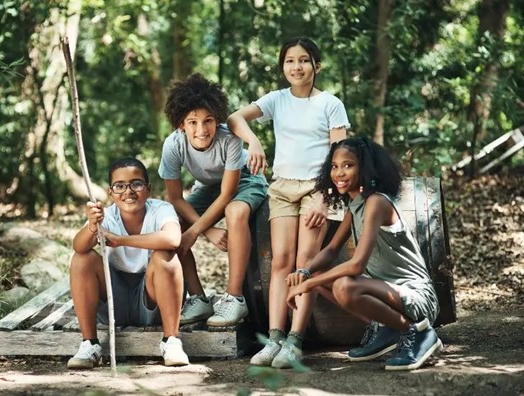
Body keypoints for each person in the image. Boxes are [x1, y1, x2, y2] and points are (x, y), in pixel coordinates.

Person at [227, 37, 350, 368]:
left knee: (304, 262)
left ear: (316, 66)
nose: (297, 67)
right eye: (290, 61)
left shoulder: (330, 104)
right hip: (282, 187)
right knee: (280, 261)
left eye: (304, 60)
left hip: (317, 189)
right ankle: (275, 338)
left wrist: (326, 198)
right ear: (283, 67)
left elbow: (340, 156)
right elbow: (235, 118)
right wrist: (253, 142)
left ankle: (295, 342)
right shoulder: (277, 100)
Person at [285, 136, 442, 371]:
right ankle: (385, 328)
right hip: (387, 292)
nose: (339, 173)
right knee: (318, 278)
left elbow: (357, 265)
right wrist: (304, 272)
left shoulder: (376, 202)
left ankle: (417, 332)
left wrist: (305, 285)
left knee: (344, 287)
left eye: (348, 165)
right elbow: (330, 250)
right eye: (335, 166)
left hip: (416, 296)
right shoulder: (355, 205)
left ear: (365, 168)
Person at [158, 73, 269, 327]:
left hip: (246, 180)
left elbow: (228, 194)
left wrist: (197, 230)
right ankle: (198, 299)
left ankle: (235, 298)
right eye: (193, 122)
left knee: (235, 212)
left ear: (217, 119)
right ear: (180, 124)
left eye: (208, 121)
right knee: (173, 224)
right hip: (208, 188)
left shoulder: (229, 139)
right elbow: (174, 198)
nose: (201, 129)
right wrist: (205, 230)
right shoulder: (173, 145)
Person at [67, 157, 189, 369]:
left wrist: (120, 240)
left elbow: (172, 239)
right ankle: (90, 344)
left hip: (152, 298)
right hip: (115, 300)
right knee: (82, 258)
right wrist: (92, 226)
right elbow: (78, 246)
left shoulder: (161, 209)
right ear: (110, 193)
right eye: (120, 186)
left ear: (148, 189)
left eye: (137, 184)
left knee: (165, 256)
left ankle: (171, 341)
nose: (128, 191)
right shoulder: (106, 215)